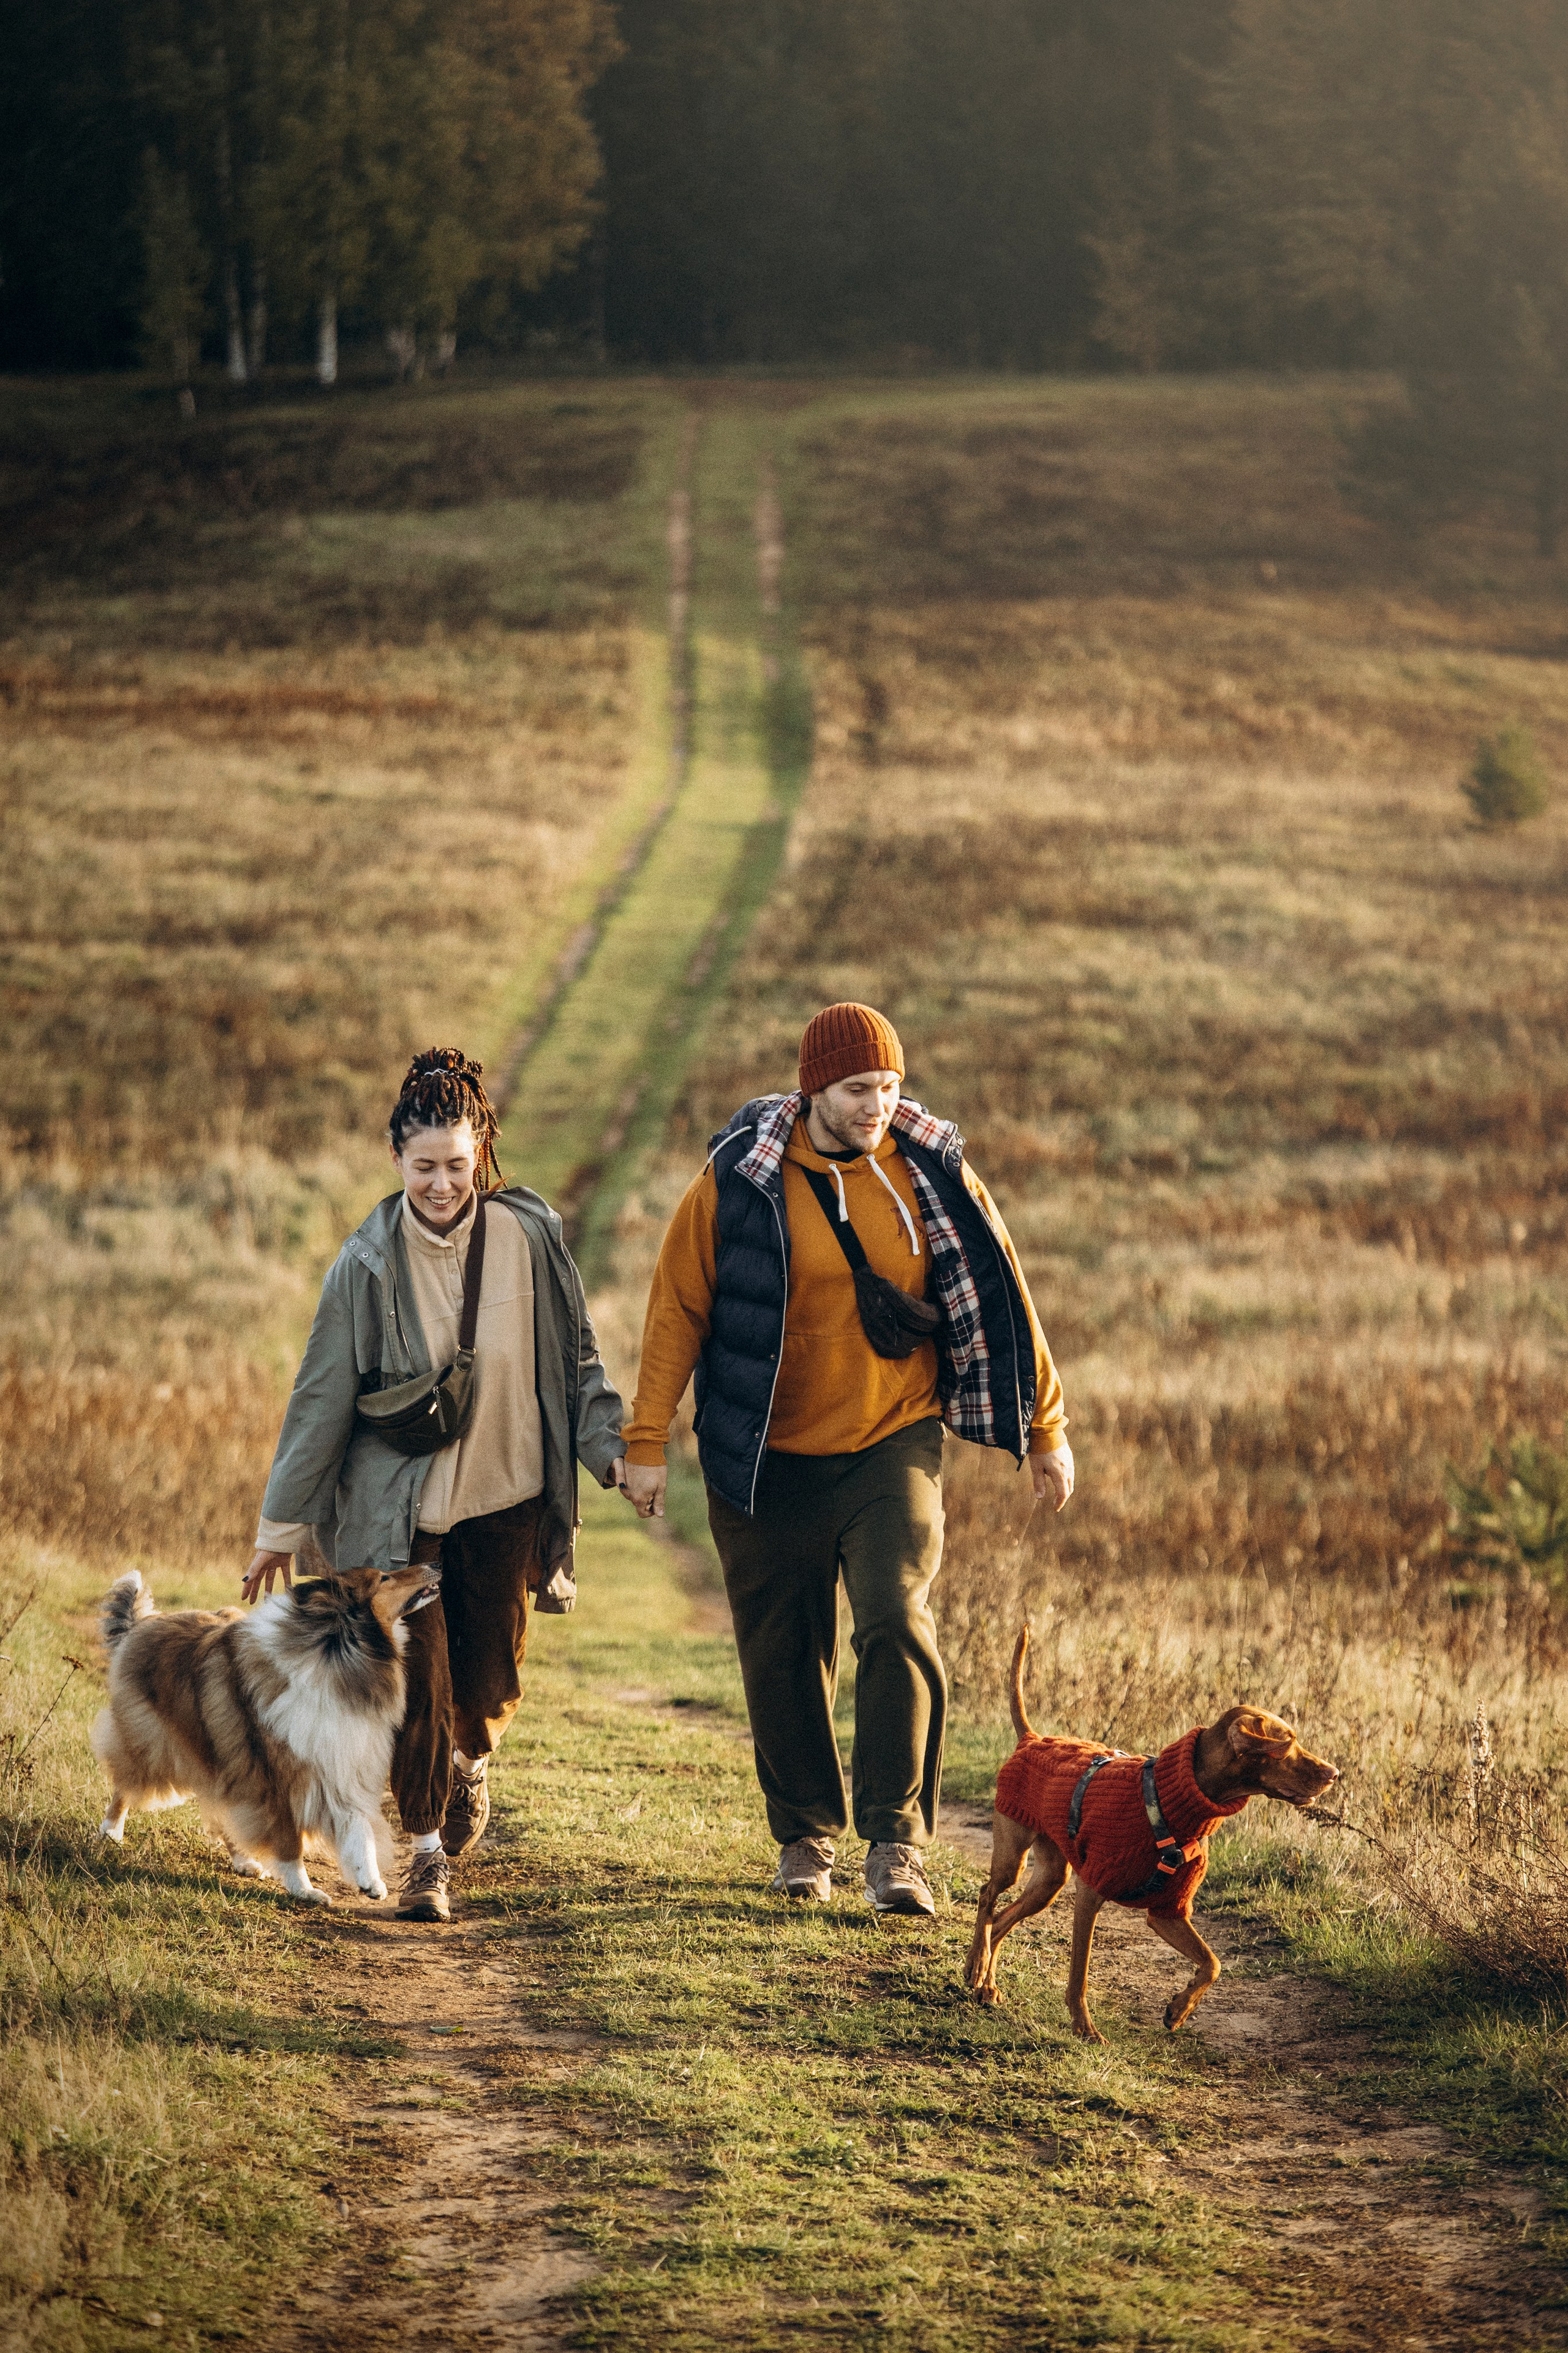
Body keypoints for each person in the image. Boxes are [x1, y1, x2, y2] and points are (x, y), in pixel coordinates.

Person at [621, 1002, 1072, 1917]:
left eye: (889, 1086)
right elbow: (679, 1308)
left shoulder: (931, 1172)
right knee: (783, 1647)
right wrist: (646, 1440)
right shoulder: (739, 1180)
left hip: (890, 1440)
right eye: (858, 1088)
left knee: (895, 1620)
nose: (877, 1104)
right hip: (764, 1451)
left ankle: (897, 1842)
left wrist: (1047, 1429)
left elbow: (1005, 1287)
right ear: (813, 1087)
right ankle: (803, 1836)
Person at [243, 1048, 627, 1922]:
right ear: (396, 1160)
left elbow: (577, 1362)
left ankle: (470, 1760)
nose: (443, 1184)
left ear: (482, 1147)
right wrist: (280, 1522)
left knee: (486, 1688)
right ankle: (423, 1856)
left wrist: (609, 1450)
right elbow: (320, 1397)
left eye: (458, 1164)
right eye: (425, 1167)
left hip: (508, 1499)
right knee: (414, 1678)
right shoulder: (365, 1264)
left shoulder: (531, 1239)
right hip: (398, 1511)